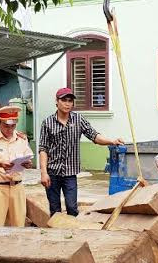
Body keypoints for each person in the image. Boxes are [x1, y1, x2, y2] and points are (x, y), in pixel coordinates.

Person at [39, 87, 124, 217]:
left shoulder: (78, 119)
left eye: (70, 101)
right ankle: (57, 235)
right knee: (54, 209)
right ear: (57, 102)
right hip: (52, 173)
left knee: (72, 208)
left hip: (70, 173)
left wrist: (112, 141)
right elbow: (43, 149)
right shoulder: (47, 123)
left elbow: (94, 136)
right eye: (64, 100)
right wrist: (44, 173)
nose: (67, 103)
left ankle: (72, 235)